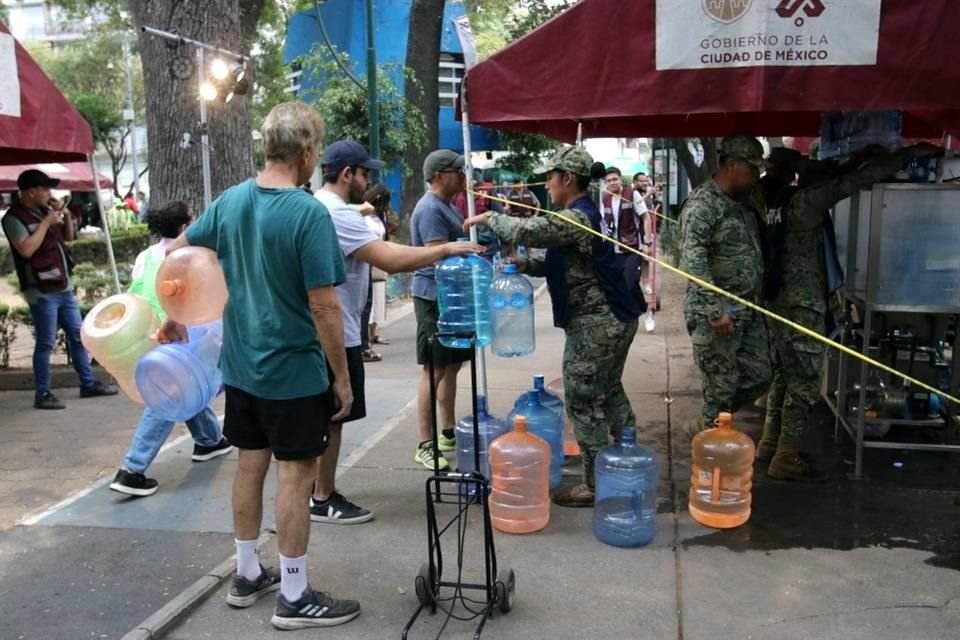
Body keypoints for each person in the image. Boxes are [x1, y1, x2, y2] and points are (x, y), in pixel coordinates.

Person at [159, 102, 360, 630]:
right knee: (297, 476)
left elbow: (175, 254)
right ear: (309, 153)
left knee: (250, 465)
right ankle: (294, 594)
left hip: (242, 367)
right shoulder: (306, 212)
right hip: (292, 372)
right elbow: (323, 307)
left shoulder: (230, 202)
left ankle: (248, 574)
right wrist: (341, 377)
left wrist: (173, 314)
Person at [312, 140, 481, 521]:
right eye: (364, 173)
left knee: (327, 414)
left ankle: (316, 489)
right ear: (346, 174)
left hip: (329, 327)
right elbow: (390, 260)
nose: (369, 181)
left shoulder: (323, 207)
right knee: (338, 412)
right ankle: (322, 498)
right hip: (338, 329)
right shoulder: (339, 215)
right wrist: (445, 249)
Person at [464, 147, 640, 507]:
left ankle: (594, 483)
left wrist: (489, 219)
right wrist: (526, 266)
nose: (547, 183)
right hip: (612, 317)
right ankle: (626, 455)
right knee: (608, 390)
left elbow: (525, 228)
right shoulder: (580, 215)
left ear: (567, 179)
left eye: (550, 176)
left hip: (599, 322)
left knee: (583, 397)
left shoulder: (577, 216)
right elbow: (567, 265)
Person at [758, 143, 938, 481]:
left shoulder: (771, 203)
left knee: (784, 373)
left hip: (778, 304)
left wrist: (855, 161)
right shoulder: (804, 203)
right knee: (806, 381)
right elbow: (851, 183)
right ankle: (785, 456)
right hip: (803, 306)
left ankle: (771, 442)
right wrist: (904, 156)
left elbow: (843, 178)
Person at [109, 201, 233, 497]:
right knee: (168, 395)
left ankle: (209, 440)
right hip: (178, 333)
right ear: (183, 229)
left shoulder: (144, 256)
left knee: (190, 385)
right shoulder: (191, 256)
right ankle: (132, 469)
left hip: (146, 332)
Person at [1, 169, 117, 409]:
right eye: (45, 189)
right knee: (46, 342)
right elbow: (26, 249)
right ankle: (42, 393)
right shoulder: (13, 218)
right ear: (31, 192)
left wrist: (61, 214)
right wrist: (45, 223)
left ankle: (87, 382)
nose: (49, 193)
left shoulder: (46, 212)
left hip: (63, 285)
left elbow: (69, 236)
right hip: (41, 289)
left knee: (77, 335)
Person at [680, 135, 770, 436]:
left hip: (746, 309)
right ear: (732, 164)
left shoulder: (743, 202)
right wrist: (715, 308)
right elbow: (693, 260)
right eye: (753, 168)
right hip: (717, 315)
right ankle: (708, 453)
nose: (758, 176)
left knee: (760, 375)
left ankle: (711, 423)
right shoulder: (703, 203)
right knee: (721, 387)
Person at [410, 149, 474, 471]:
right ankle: (425, 443)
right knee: (434, 369)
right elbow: (437, 258)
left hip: (452, 298)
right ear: (438, 176)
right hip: (434, 297)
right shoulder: (431, 209)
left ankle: (447, 430)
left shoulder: (446, 206)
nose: (463, 177)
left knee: (452, 366)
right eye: (456, 171)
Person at [602, 166, 651, 329]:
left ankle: (646, 312)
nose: (612, 183)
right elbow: (603, 224)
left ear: (621, 179)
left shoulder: (632, 194)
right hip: (613, 250)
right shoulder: (605, 199)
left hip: (633, 247)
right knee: (619, 286)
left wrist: (647, 243)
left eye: (615, 179)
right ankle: (628, 316)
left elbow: (646, 218)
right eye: (608, 180)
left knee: (630, 282)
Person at [360, 182, 392, 360]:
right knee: (365, 306)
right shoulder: (362, 215)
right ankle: (363, 345)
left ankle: (369, 337)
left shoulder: (379, 216)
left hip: (375, 263)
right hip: (366, 264)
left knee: (372, 303)